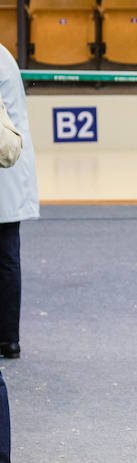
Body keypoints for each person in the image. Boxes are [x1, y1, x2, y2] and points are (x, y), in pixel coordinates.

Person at [0, 45, 39, 360]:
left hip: (5, 165)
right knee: (7, 257)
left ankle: (7, 337)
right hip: (9, 168)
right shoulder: (3, 55)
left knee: (5, 258)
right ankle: (8, 338)